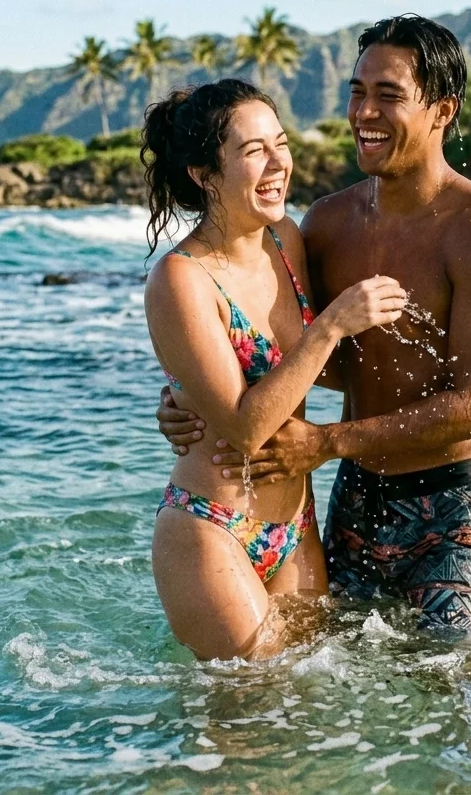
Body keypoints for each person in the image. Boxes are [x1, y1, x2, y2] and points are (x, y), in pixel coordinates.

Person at [158, 15, 471, 631]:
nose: (365, 113)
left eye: (389, 96)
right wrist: (195, 390)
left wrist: (328, 443)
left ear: (441, 110)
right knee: (338, 687)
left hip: (453, 500)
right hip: (355, 496)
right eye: (358, 92)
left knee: (459, 683)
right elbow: (308, 356)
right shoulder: (326, 224)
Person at [141, 79, 407, 661]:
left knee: (304, 721)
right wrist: (333, 323)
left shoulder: (284, 240)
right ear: (204, 175)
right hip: (212, 528)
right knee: (242, 724)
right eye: (252, 151)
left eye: (279, 143)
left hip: (295, 523)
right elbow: (245, 427)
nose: (277, 163)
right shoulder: (180, 279)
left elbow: (309, 372)